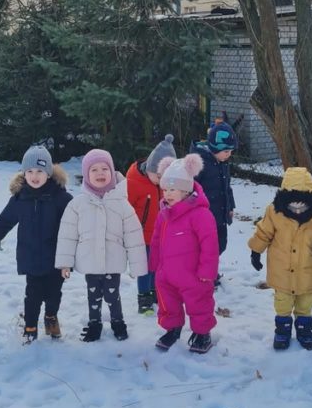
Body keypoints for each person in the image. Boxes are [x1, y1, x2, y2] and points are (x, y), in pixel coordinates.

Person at [55, 149, 147, 342]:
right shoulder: (77, 205)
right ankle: (94, 323)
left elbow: (133, 236)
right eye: (94, 170)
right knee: (93, 295)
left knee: (113, 295)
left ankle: (118, 322)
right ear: (86, 174)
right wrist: (65, 263)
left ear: (112, 172)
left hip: (113, 261)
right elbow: (67, 236)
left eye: (105, 169)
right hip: (90, 262)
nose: (100, 173)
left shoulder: (122, 204)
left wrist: (137, 266)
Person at [0, 145, 72, 343]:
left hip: (56, 258)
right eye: (30, 171)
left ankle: (51, 317)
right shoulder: (20, 198)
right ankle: (30, 325)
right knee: (32, 295)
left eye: (40, 171)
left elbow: (75, 223)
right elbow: (6, 219)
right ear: (24, 173)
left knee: (53, 294)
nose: (34, 176)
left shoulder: (61, 197)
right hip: (31, 256)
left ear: (48, 173)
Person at [149, 152, 219, 354]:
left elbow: (210, 245)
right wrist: (155, 264)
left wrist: (207, 272)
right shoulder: (164, 214)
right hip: (167, 273)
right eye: (165, 189)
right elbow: (156, 239)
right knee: (168, 303)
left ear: (186, 190)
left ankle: (202, 333)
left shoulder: (200, 214)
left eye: (173, 189)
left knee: (199, 303)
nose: (167, 194)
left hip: (193, 274)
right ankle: (172, 329)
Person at [248, 167, 312, 351]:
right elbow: (264, 232)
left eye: (302, 203)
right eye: (292, 202)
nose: (297, 208)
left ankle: (304, 331)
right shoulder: (274, 212)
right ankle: (282, 330)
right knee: (282, 302)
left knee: (306, 302)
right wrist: (256, 251)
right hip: (281, 269)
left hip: (309, 268)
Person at [126, 133, 176, 314]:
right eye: (159, 176)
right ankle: (143, 298)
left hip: (161, 234)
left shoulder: (165, 184)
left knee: (157, 265)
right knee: (144, 267)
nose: (162, 181)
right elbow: (126, 208)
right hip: (142, 235)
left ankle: (154, 291)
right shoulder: (134, 182)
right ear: (150, 168)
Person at [190, 121, 237, 283]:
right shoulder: (200, 164)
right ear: (215, 148)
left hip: (220, 213)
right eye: (226, 151)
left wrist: (230, 206)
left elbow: (227, 187)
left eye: (230, 151)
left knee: (220, 244)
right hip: (206, 215)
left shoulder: (223, 163)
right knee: (206, 246)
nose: (229, 154)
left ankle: (209, 269)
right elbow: (191, 188)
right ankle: (205, 274)